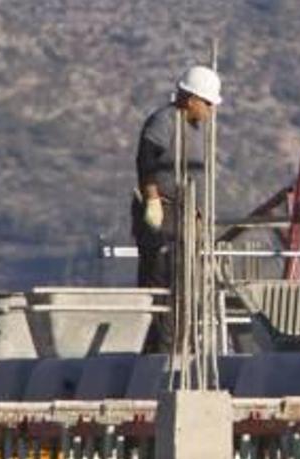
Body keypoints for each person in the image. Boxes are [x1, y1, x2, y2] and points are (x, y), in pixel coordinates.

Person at [132, 65, 222, 353]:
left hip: (183, 213)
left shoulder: (194, 130)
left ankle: (179, 344)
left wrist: (196, 213)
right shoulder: (164, 122)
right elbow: (145, 158)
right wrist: (152, 198)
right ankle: (159, 349)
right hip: (164, 212)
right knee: (162, 278)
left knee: (185, 282)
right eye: (207, 103)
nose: (210, 110)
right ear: (191, 98)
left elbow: (191, 178)